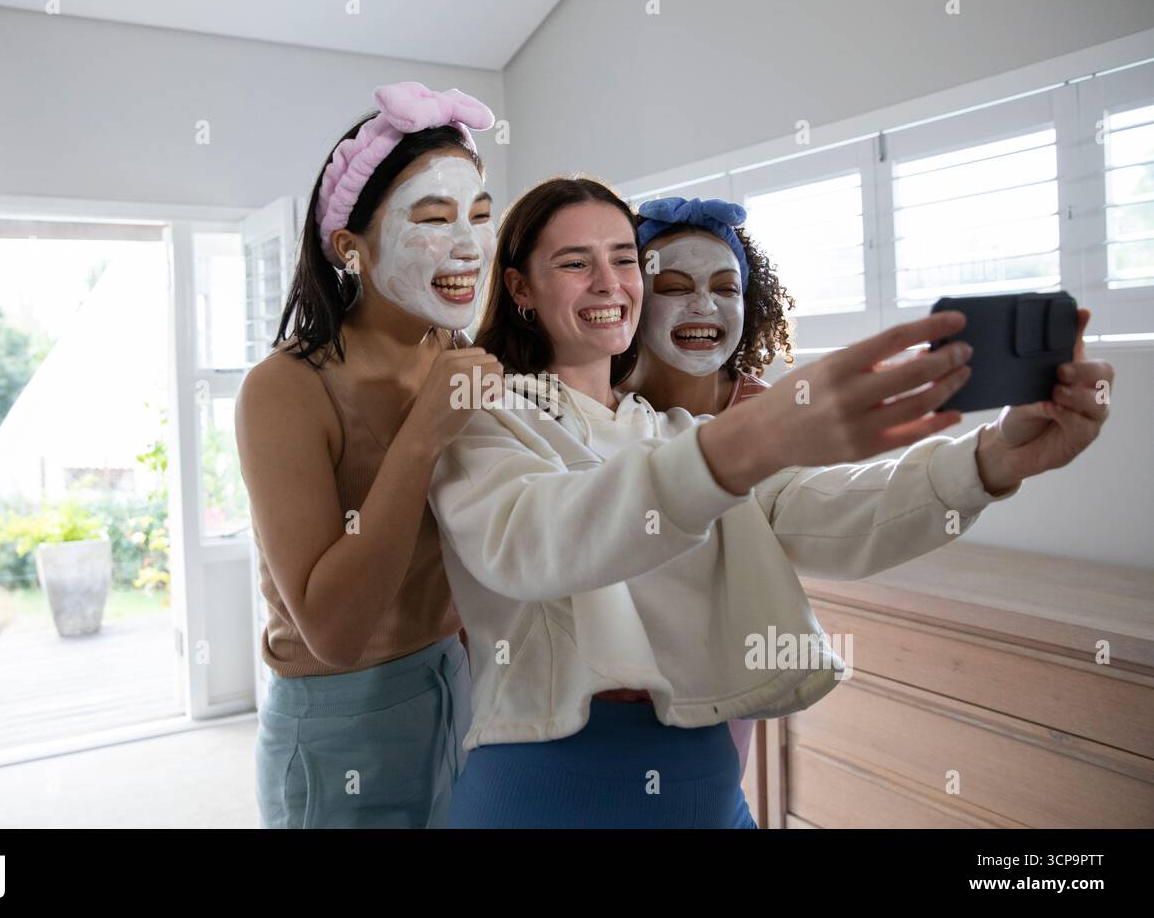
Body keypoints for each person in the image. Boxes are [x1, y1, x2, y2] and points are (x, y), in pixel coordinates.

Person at [428, 176, 1113, 828]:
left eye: (625, 260)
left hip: (708, 789)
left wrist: (992, 458)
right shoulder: (488, 418)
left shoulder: (675, 433)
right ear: (520, 286)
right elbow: (537, 541)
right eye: (577, 263)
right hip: (552, 791)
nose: (610, 283)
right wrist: (743, 444)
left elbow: (830, 512)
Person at [234, 82, 505, 828]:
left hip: (455, 682)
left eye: (480, 216)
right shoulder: (285, 389)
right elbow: (334, 629)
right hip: (337, 720)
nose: (467, 245)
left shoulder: (452, 351)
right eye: (431, 217)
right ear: (349, 247)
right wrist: (422, 434)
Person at [625, 195, 796, 778]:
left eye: (727, 287)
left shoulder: (768, 414)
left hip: (725, 675)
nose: (704, 304)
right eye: (673, 286)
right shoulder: (599, 403)